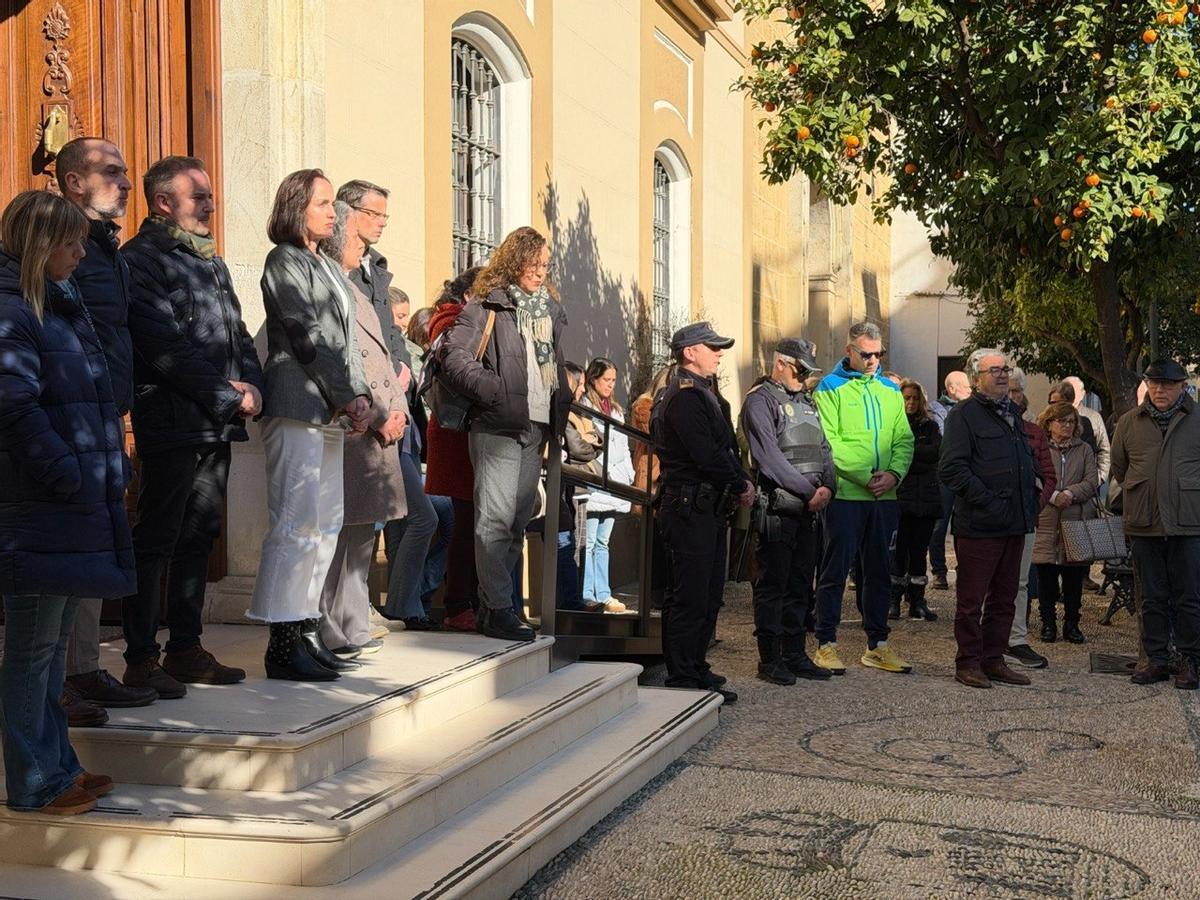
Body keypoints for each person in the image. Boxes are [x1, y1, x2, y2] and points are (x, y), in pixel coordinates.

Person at [0, 190, 132, 814]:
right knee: (30, 650)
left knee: (49, 649)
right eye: (71, 242)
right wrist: (65, 473)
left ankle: (59, 768)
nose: (82, 253)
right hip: (36, 506)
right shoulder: (12, 309)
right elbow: (14, 406)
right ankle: (33, 783)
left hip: (64, 501)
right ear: (38, 245)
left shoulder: (58, 304)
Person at [118, 155, 264, 698]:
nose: (209, 203)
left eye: (209, 195)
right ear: (163, 203)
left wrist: (253, 385)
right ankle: (140, 657)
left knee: (198, 537)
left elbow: (239, 334)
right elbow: (161, 346)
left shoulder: (211, 261)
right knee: (156, 537)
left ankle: (185, 647)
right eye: (197, 196)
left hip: (216, 423)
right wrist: (228, 394)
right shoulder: (140, 259)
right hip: (172, 422)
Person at [247, 168, 371, 681]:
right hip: (297, 404)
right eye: (322, 202)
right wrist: (348, 394)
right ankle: (281, 642)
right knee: (295, 523)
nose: (332, 211)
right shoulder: (284, 261)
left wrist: (360, 396)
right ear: (296, 206)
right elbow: (306, 337)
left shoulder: (329, 268)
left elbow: (348, 339)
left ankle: (306, 628)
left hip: (332, 411)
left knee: (327, 521)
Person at [54, 137, 155, 722]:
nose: (124, 182)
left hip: (107, 415)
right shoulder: (58, 247)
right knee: (63, 549)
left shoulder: (105, 247)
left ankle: (83, 667)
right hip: (70, 417)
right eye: (111, 173)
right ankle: (57, 675)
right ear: (72, 182)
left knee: (93, 545)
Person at [440, 227, 568, 642]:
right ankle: (497, 609)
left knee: (516, 522)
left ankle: (493, 605)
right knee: (493, 519)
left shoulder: (548, 311)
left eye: (545, 266)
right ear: (515, 262)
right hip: (497, 425)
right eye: (533, 264)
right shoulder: (489, 304)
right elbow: (453, 357)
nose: (539, 272)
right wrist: (493, 391)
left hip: (537, 426)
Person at [318, 202, 408, 656]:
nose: (363, 249)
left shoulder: (355, 288)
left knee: (361, 536)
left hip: (379, 427)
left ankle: (352, 623)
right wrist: (378, 415)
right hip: (357, 426)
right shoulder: (331, 287)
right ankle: (333, 625)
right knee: (344, 532)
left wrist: (401, 410)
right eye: (357, 241)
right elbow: (344, 361)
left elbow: (386, 362)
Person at [652, 322, 752, 703]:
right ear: (689, 352)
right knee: (690, 594)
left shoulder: (701, 393)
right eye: (712, 347)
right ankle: (682, 675)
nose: (719, 352)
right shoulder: (685, 396)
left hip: (703, 504)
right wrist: (741, 482)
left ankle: (694, 665)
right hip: (689, 504)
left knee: (708, 593)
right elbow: (706, 453)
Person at [811, 322, 914, 675]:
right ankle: (826, 643)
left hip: (884, 498)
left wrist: (894, 474)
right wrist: (866, 477)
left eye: (878, 354)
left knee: (879, 572)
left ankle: (877, 645)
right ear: (849, 350)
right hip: (846, 496)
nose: (872, 360)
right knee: (834, 571)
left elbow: (904, 439)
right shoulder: (829, 388)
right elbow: (829, 442)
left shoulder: (890, 390)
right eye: (865, 353)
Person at [939, 349, 1039, 689]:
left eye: (1004, 369)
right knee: (972, 600)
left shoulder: (1012, 412)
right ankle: (968, 662)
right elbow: (952, 469)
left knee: (1005, 597)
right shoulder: (963, 415)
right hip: (980, 525)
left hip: (1015, 522)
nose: (1001, 375)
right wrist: (989, 502)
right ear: (975, 378)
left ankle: (993, 658)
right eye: (993, 370)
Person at [739, 338, 834, 685]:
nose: (804, 378)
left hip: (808, 511)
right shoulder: (760, 401)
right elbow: (768, 458)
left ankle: (795, 653)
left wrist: (829, 486)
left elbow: (824, 449)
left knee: (800, 585)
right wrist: (811, 491)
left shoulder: (806, 402)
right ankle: (770, 659)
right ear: (780, 363)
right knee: (773, 584)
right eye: (800, 370)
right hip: (779, 508)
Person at [1111, 359, 1200, 689]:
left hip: (1188, 523)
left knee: (1189, 596)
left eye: (1167, 384)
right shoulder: (1129, 422)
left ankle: (1190, 661)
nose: (1160, 389)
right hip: (1145, 521)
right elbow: (1120, 469)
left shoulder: (1197, 419)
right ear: (1146, 386)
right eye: (1154, 383)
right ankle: (1155, 660)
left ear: (1181, 387)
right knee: (1150, 597)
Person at [424, 268, 483, 632]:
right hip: (455, 433)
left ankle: (471, 602)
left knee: (475, 524)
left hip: (470, 433)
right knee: (463, 525)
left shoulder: (464, 318)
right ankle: (458, 604)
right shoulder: (449, 320)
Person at [1032, 402, 1098, 644]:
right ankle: (1047, 623)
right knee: (1046, 578)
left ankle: (1072, 624)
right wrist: (1052, 495)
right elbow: (1034, 477)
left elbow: (1092, 481)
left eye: (1071, 421)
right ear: (1049, 424)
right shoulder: (1039, 448)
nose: (1067, 426)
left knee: (1073, 580)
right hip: (1046, 519)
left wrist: (1069, 493)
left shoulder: (1084, 450)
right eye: (1062, 421)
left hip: (1075, 520)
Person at [1003, 382, 1056, 670]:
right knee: (987, 581)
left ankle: (1016, 639)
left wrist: (1034, 506)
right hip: (991, 519)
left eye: (1015, 388)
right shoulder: (979, 427)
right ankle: (989, 640)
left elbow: (1049, 476)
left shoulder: (1034, 433)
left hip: (1025, 519)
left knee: (1020, 582)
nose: (1011, 394)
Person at [578, 358, 636, 613]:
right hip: (594, 479)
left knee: (603, 541)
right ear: (593, 379)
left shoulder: (616, 409)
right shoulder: (584, 407)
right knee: (588, 540)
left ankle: (604, 592)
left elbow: (622, 446)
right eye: (606, 380)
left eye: (614, 380)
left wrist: (628, 473)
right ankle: (587, 592)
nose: (611, 385)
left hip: (615, 481)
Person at [890, 379, 941, 622]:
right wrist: (912, 456)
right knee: (898, 552)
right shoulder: (892, 425)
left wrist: (908, 453)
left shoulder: (929, 427)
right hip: (900, 497)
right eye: (906, 398)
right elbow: (893, 457)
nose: (910, 402)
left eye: (914, 398)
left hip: (926, 497)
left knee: (920, 551)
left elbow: (934, 455)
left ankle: (917, 599)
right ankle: (894, 599)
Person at [930, 369, 972, 588]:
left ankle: (965, 568)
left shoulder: (973, 408)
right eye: (965, 386)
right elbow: (946, 439)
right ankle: (939, 570)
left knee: (964, 523)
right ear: (951, 388)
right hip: (945, 475)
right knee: (940, 524)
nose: (970, 389)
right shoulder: (936, 409)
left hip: (967, 474)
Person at [1064, 375, 1112, 484]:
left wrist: (1099, 478)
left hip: (1089, 483)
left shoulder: (1094, 417)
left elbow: (1105, 450)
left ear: (1082, 394)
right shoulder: (1054, 417)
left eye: (1074, 391)